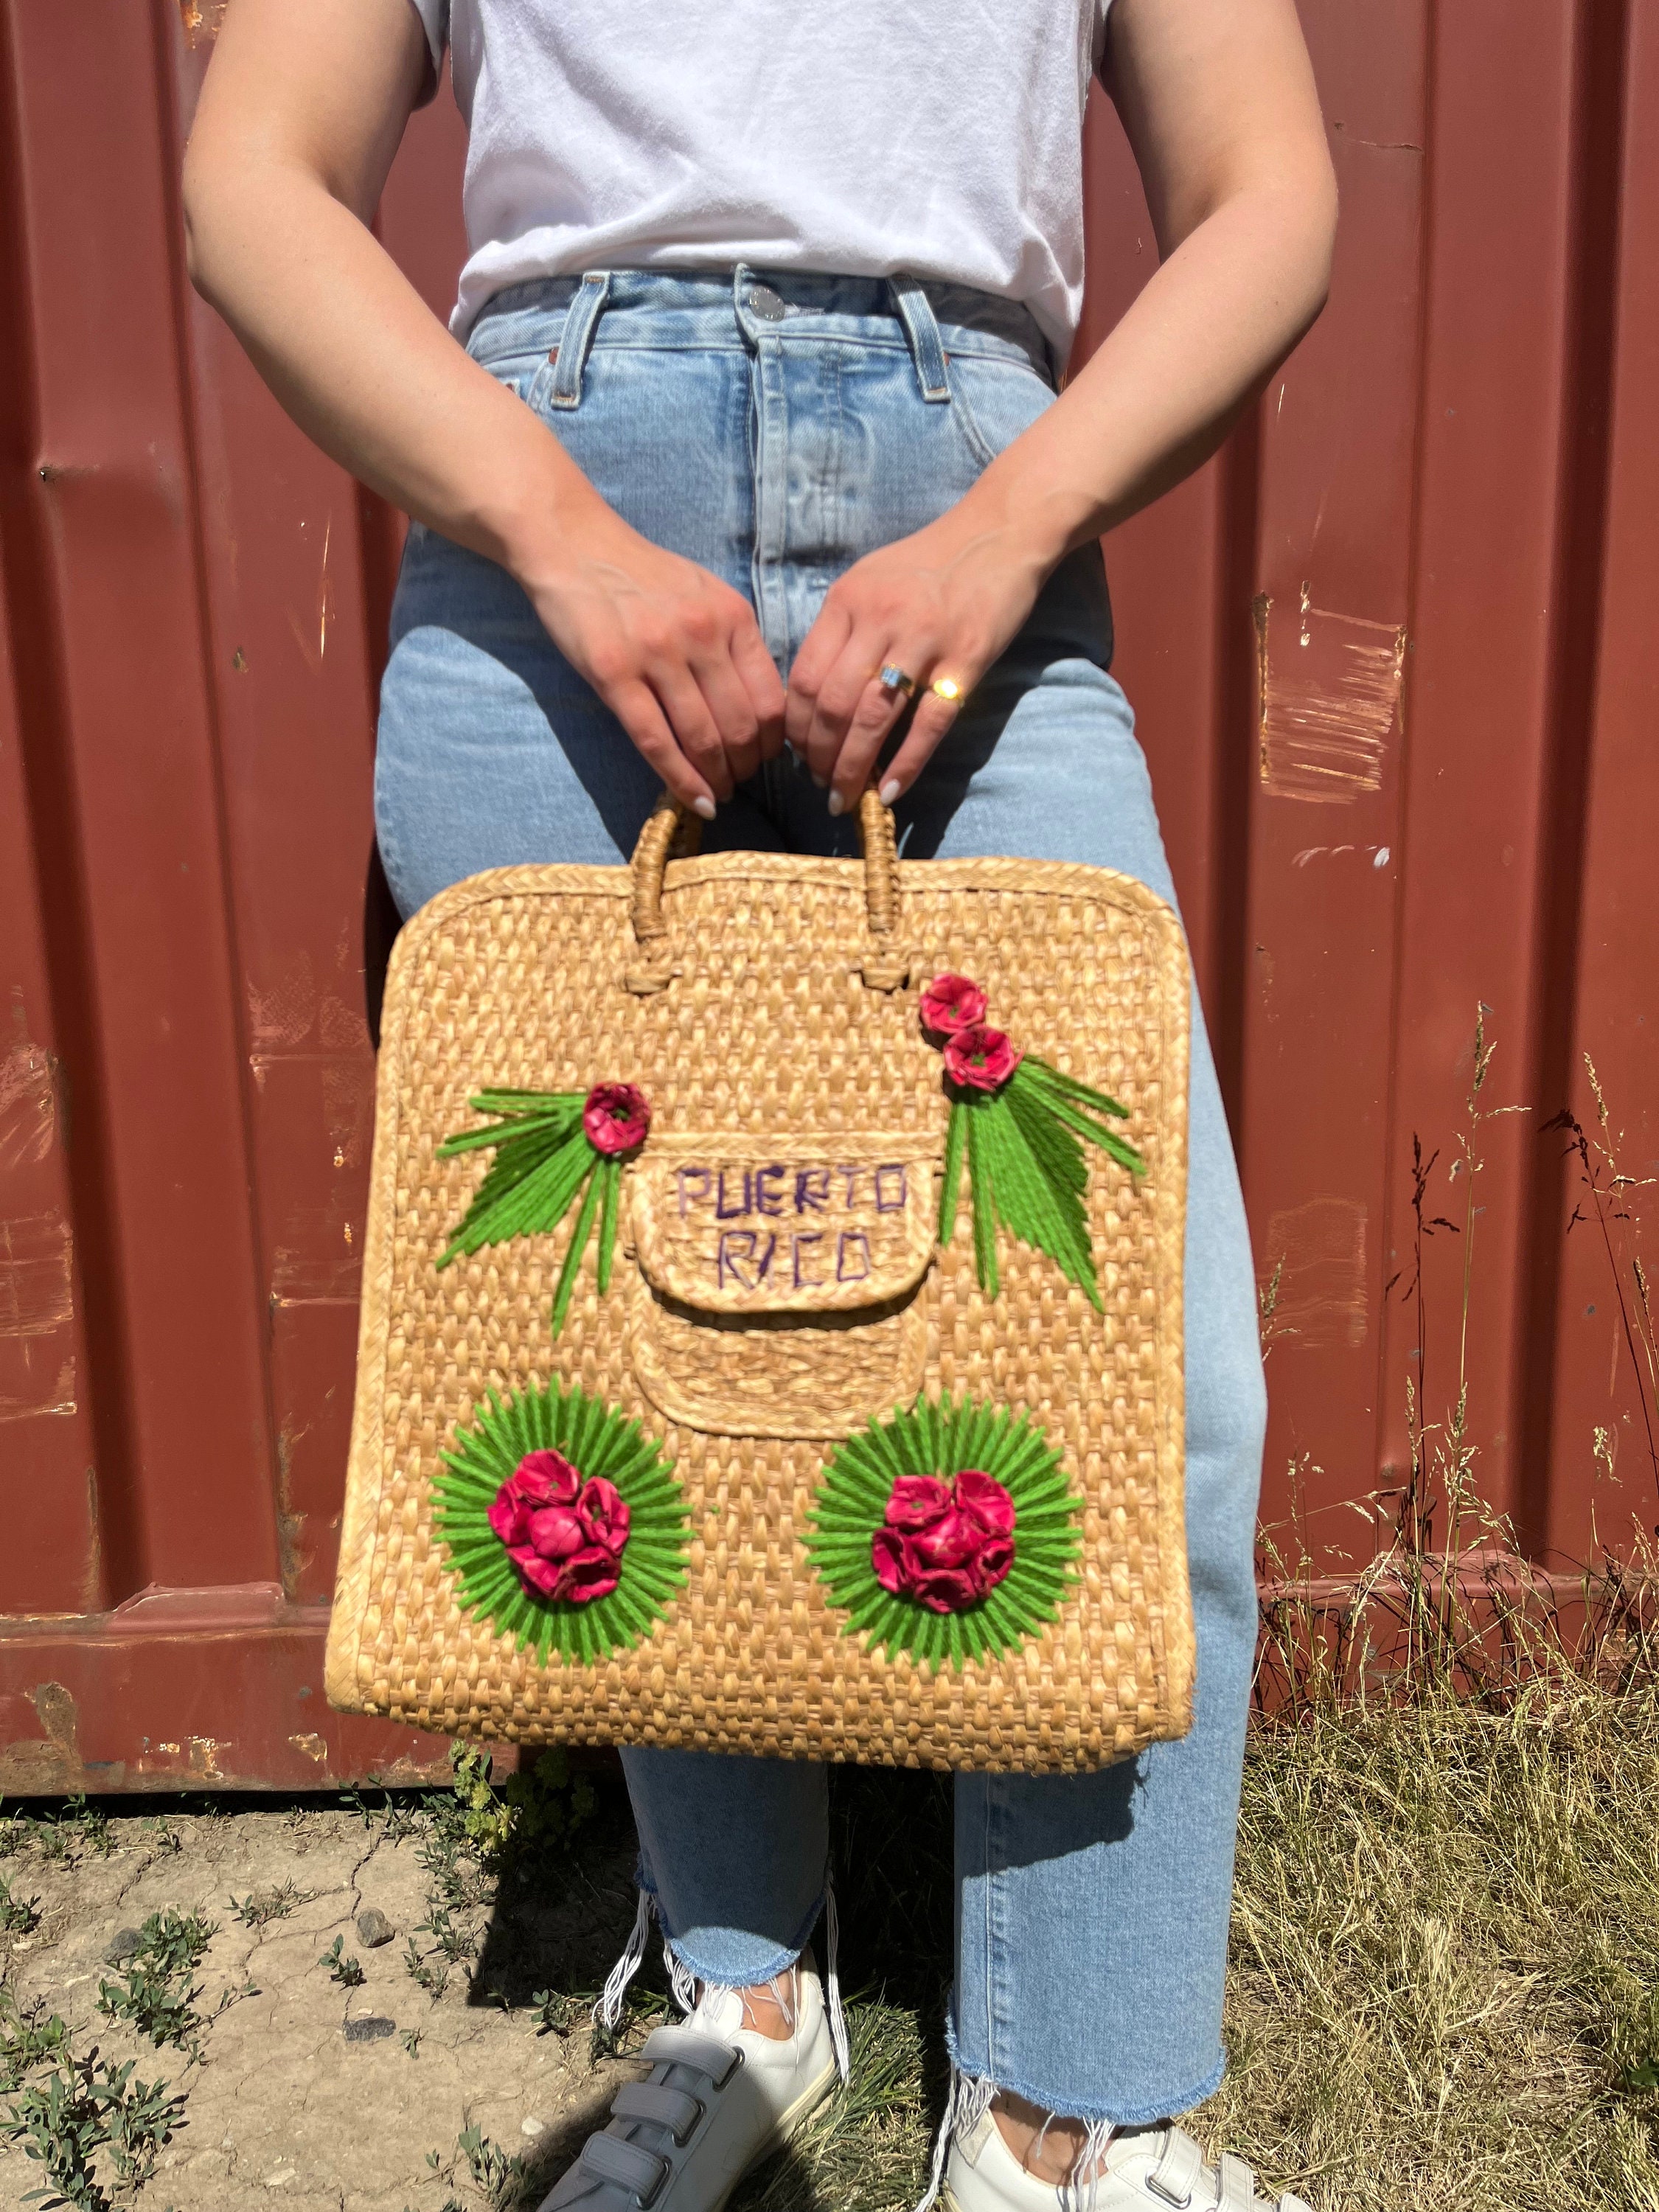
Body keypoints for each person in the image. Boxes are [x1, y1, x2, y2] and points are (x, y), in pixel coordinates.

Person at [184, 2, 1335, 2205]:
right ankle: (746, 2009)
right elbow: (254, 176)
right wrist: (555, 527)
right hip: (545, 520)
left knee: (1145, 1377)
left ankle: (1066, 2125)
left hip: (975, 512)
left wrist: (1017, 519)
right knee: (638, 1347)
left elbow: (1266, 191)